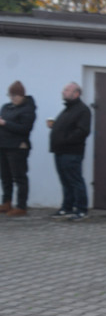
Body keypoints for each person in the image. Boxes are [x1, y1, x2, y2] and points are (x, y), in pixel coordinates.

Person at [48, 82, 92, 221]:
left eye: (67, 90)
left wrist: (64, 139)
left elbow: (82, 131)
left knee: (75, 180)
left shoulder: (82, 110)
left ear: (76, 93)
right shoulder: (67, 109)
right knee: (65, 180)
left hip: (72, 152)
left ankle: (81, 209)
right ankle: (67, 207)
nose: (63, 92)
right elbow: (67, 127)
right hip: (60, 151)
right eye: (64, 90)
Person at [0, 81, 37, 217]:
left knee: (19, 177)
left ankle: (21, 206)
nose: (13, 98)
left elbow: (24, 129)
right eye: (11, 95)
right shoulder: (6, 107)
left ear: (22, 95)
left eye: (16, 96)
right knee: (5, 176)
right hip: (3, 145)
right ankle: (6, 202)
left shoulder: (28, 109)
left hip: (18, 147)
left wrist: (5, 123)